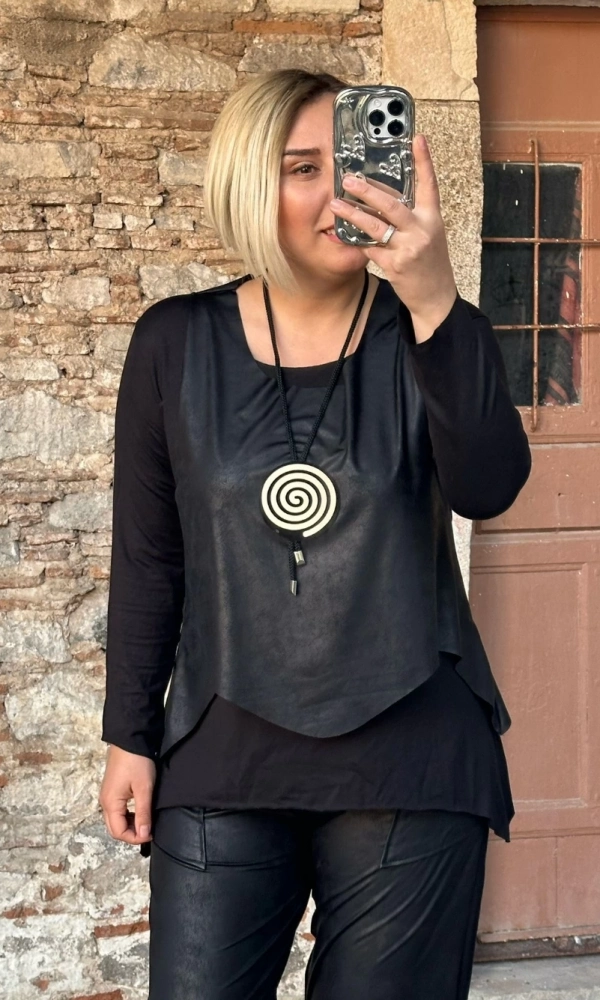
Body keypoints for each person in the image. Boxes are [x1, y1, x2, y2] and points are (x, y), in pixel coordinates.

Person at [98, 69, 532, 1000]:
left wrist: (435, 300)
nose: (342, 193)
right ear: (247, 185)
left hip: (412, 752)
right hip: (225, 749)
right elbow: (149, 557)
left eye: (354, 165)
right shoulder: (174, 342)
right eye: (303, 169)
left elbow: (489, 488)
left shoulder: (432, 332)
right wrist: (128, 736)